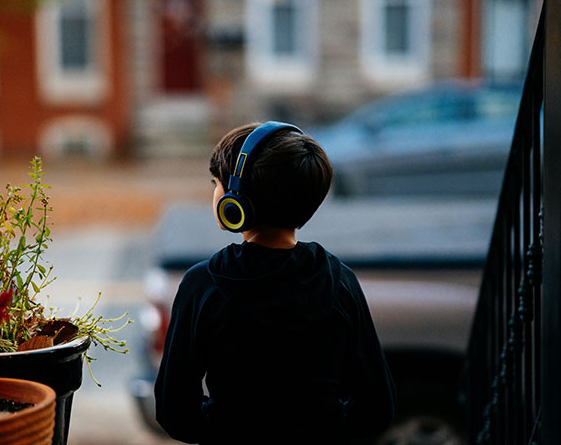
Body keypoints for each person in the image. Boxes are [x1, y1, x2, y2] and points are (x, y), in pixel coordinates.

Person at [154, 121, 396, 444]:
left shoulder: (202, 286)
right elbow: (377, 408)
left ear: (234, 202)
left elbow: (174, 412)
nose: (214, 190)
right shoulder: (340, 281)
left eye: (217, 182)